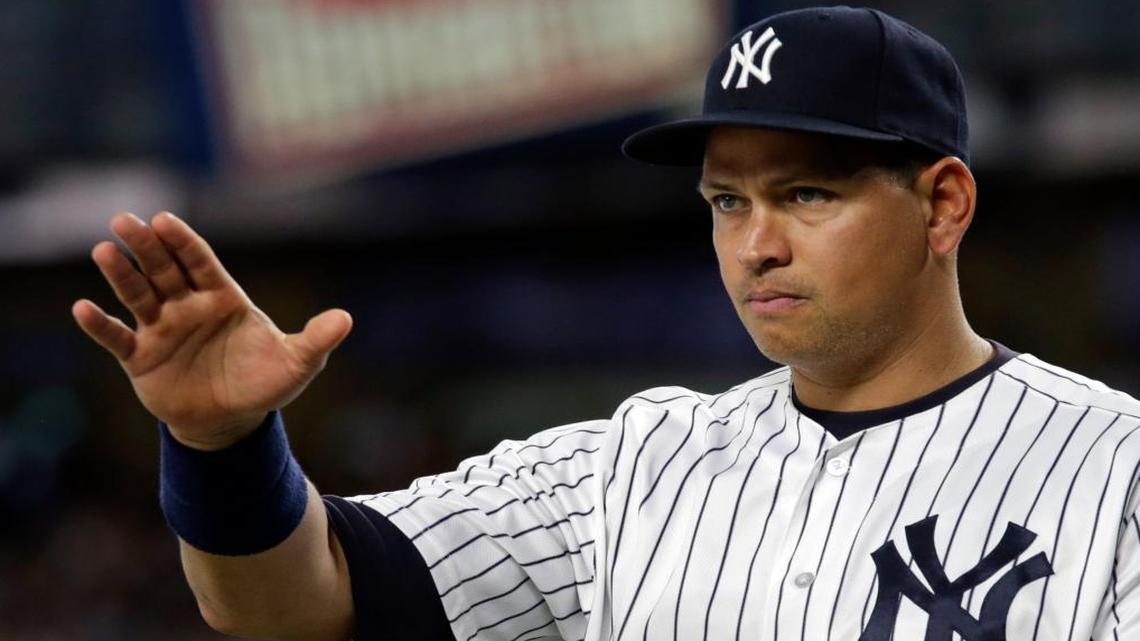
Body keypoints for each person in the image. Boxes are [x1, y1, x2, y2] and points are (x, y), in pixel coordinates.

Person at [72, 6, 1140, 641]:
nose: (756, 243)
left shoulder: (1114, 466)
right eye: (729, 201)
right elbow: (294, 604)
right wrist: (221, 447)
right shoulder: (627, 464)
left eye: (808, 194)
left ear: (943, 202)